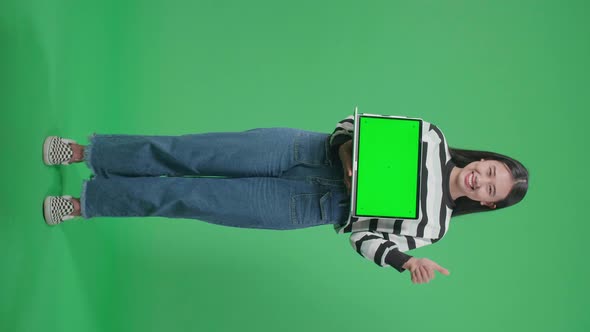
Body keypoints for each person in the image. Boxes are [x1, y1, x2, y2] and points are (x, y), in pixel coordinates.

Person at [41, 114, 529, 284]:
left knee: (189, 198)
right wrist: (346, 153)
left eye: (490, 189)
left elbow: (364, 239)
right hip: (300, 149)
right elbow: (351, 126)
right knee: (186, 151)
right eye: (489, 171)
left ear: (486, 204)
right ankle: (88, 152)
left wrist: (403, 262)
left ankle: (88, 203)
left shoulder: (434, 228)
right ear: (484, 159)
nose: (480, 180)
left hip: (308, 206)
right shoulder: (432, 137)